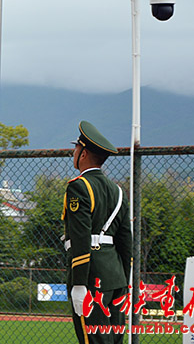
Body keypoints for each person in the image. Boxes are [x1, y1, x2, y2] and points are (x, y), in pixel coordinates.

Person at [63, 121, 132, 344]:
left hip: (92, 279)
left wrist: (80, 283)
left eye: (76, 148)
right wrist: (125, 279)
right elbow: (125, 242)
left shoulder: (78, 186)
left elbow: (81, 238)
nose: (73, 153)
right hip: (116, 277)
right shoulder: (118, 191)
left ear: (83, 154)